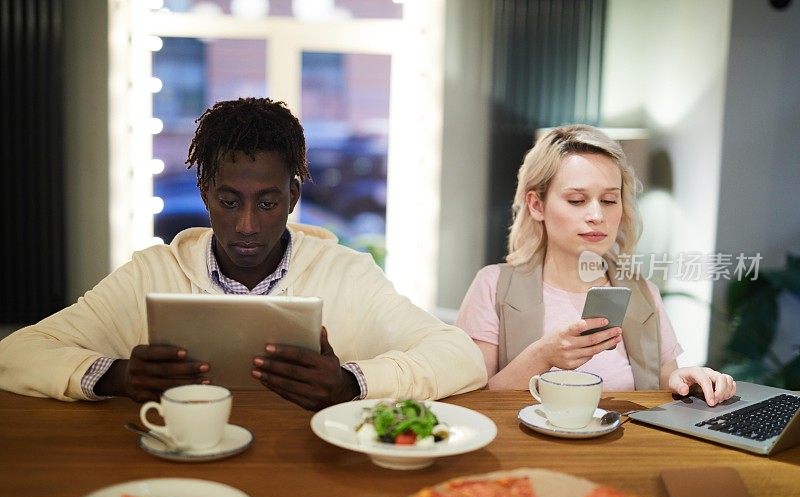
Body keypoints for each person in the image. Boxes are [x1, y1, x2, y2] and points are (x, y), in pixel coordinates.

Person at [0, 97, 487, 410]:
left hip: (308, 478)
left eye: (268, 202)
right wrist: (116, 376)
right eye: (229, 202)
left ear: (294, 197)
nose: (247, 225)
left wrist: (353, 383)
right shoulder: (150, 274)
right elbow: (14, 354)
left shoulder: (349, 275)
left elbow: (461, 357)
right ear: (205, 192)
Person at [456, 124, 735, 406]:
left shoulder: (642, 292)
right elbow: (472, 403)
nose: (597, 215)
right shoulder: (493, 286)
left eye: (609, 200)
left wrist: (687, 380)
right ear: (536, 205)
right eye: (577, 200)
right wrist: (542, 357)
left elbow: (665, 384)